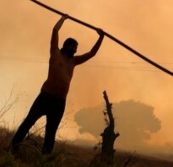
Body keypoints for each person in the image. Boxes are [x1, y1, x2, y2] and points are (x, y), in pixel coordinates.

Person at [11, 15, 105, 155]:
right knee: (29, 121)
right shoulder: (55, 53)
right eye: (73, 47)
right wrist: (63, 19)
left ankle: (45, 157)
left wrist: (101, 37)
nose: (75, 50)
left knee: (51, 130)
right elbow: (55, 31)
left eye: (76, 48)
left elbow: (91, 53)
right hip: (46, 96)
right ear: (66, 46)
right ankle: (14, 146)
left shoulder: (74, 61)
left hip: (59, 101)